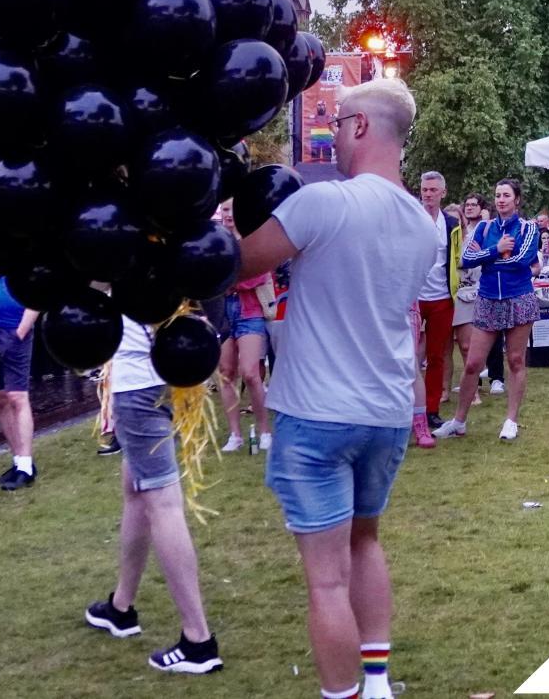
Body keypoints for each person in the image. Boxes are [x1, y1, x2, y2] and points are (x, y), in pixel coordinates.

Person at [237, 76, 437, 699]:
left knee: (326, 579)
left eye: (335, 124)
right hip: (383, 412)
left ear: (358, 127)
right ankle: (374, 682)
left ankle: (343, 694)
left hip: (316, 413)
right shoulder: (425, 227)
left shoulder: (322, 204)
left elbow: (238, 264)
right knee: (366, 539)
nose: (328, 136)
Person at [84, 317, 223, 675]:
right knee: (136, 489)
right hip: (178, 375)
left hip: (141, 384)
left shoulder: (122, 260)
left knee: (163, 504)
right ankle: (121, 607)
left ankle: (198, 640)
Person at [438, 179, 540, 443]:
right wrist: (496, 250)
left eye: (506, 195)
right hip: (487, 298)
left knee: (516, 360)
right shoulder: (484, 227)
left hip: (518, 297)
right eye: (497, 195)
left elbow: (523, 260)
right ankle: (459, 421)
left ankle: (511, 421)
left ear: (517, 199)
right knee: (472, 363)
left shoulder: (528, 228)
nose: (501, 199)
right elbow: (465, 260)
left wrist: (489, 258)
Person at [215, 202, 276, 454]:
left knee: (250, 372)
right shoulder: (215, 240)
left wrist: (232, 281)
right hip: (222, 312)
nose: (228, 215)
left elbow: (260, 274)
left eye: (232, 209)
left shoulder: (253, 238)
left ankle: (264, 431)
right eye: (225, 210)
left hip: (249, 311)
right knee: (225, 372)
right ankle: (235, 435)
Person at [0, 274, 40, 490]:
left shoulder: (27, 257)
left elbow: (39, 291)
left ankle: (25, 467)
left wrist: (21, 330)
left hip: (14, 329)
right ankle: (19, 462)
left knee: (17, 396)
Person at [409, 172, 456, 440]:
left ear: (443, 193)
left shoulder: (451, 223)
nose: (427, 194)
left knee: (437, 355)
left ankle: (431, 409)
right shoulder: (411, 218)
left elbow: (458, 255)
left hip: (441, 297)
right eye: (424, 189)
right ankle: (407, 409)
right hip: (413, 296)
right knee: (409, 358)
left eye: (433, 190)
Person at [448, 193, 484, 395]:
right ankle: (444, 390)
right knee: (442, 351)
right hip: (442, 297)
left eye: (456, 219)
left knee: (466, 346)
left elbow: (477, 270)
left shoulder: (470, 242)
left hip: (466, 296)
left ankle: (474, 390)